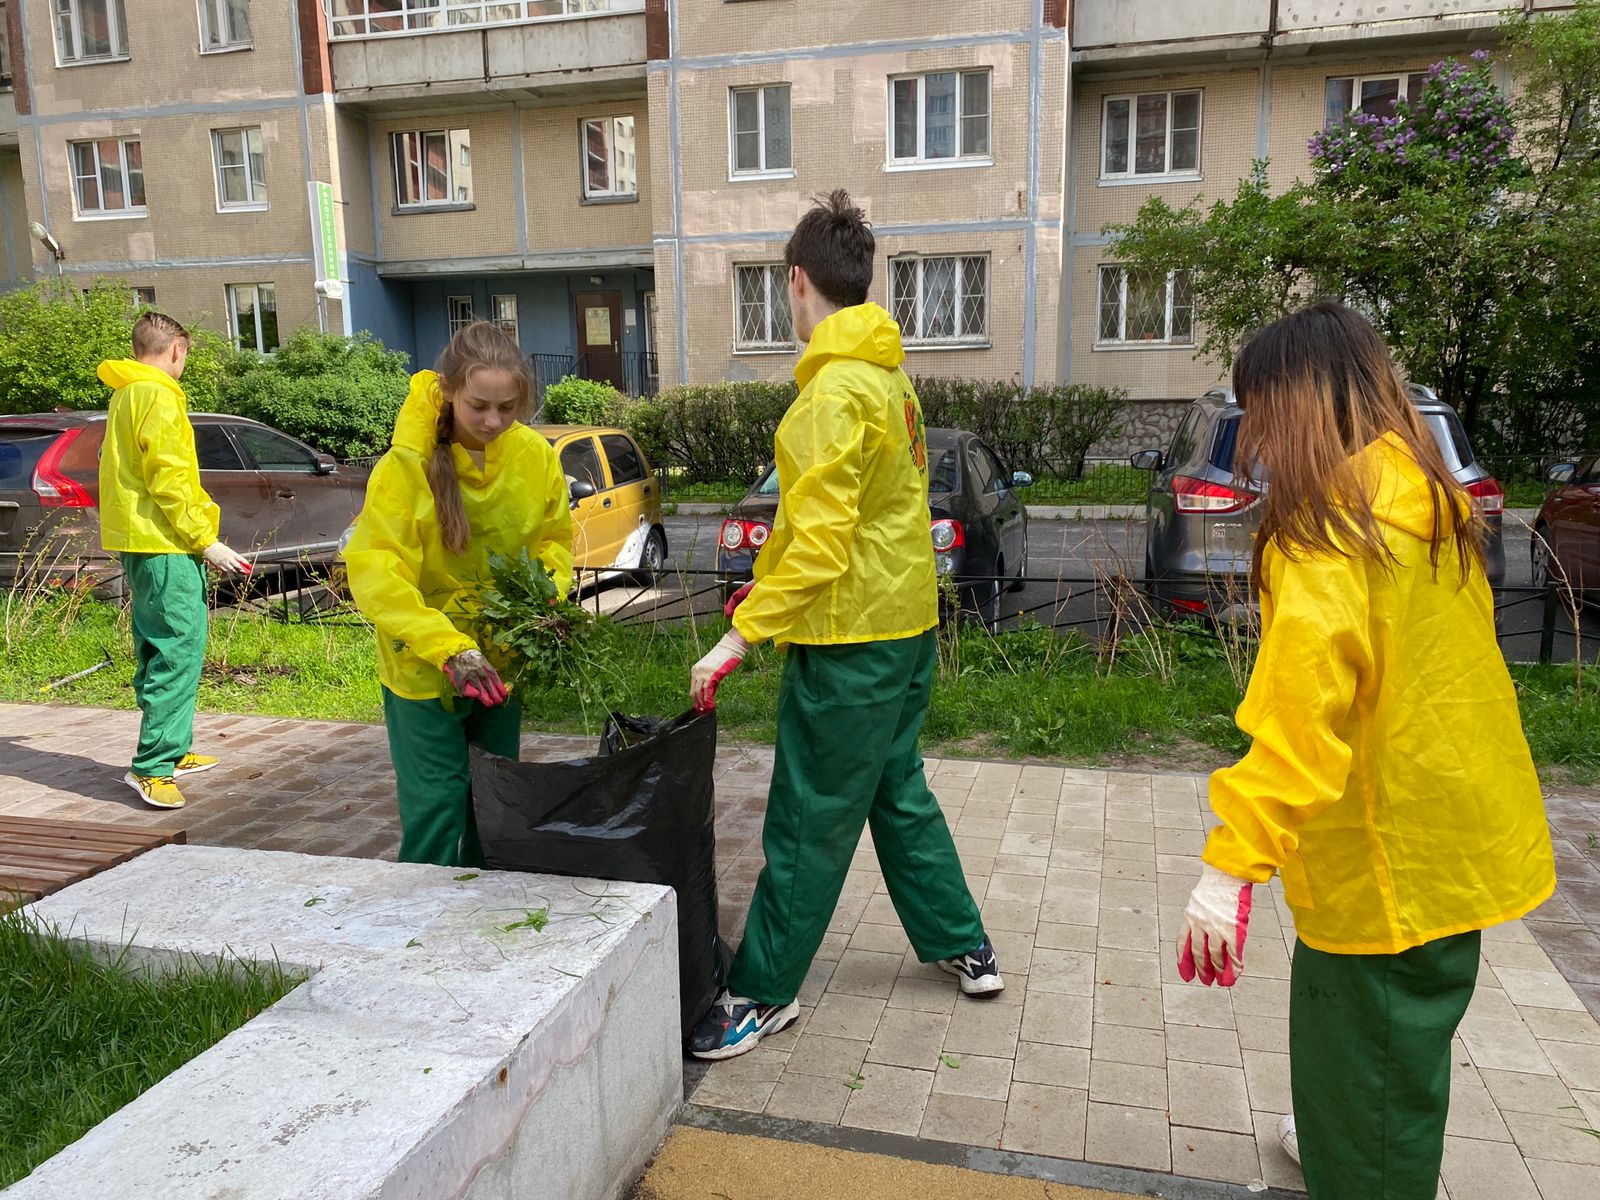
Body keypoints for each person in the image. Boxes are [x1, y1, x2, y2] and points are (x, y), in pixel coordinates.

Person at [1173, 303, 1555, 1199]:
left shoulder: (1328, 532)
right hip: (1454, 845)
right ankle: (1349, 1132)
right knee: (1395, 1058)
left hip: (1380, 871)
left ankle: (1362, 1156)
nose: (1256, 444)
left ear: (1294, 407)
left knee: (1367, 1073)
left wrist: (1230, 867)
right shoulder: (1430, 505)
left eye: (1259, 415)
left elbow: (1304, 716)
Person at [686, 190, 1001, 1061]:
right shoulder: (891, 380)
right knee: (895, 790)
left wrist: (739, 635)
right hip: (905, 628)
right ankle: (962, 943)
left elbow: (819, 543)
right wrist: (764, 597)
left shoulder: (827, 400)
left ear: (795, 283)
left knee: (807, 815)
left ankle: (761, 992)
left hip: (850, 643)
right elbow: (858, 522)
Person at [345, 321, 573, 868]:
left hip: (502, 657)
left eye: (508, 407)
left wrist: (545, 599)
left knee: (493, 801)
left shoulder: (535, 458)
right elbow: (378, 571)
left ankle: (483, 925)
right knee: (437, 805)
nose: (494, 421)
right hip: (425, 667)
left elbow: (553, 542)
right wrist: (448, 647)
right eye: (478, 407)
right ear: (448, 391)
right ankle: (421, 930)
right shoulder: (407, 465)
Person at [99, 312, 251, 811]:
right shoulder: (159, 395)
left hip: (138, 539)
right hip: (165, 542)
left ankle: (173, 745)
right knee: (178, 647)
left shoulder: (124, 393)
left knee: (155, 643)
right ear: (177, 350)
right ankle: (153, 766)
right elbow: (171, 477)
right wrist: (206, 539)